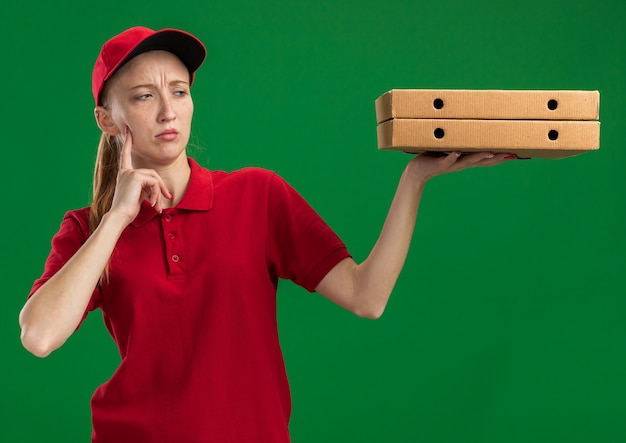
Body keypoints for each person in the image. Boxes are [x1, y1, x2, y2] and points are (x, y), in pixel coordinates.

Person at [19, 26, 513, 443]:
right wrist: (117, 219)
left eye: (180, 90)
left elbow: (368, 296)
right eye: (144, 96)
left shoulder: (257, 195)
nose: (168, 111)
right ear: (107, 120)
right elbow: (39, 336)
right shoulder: (88, 228)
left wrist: (415, 180)